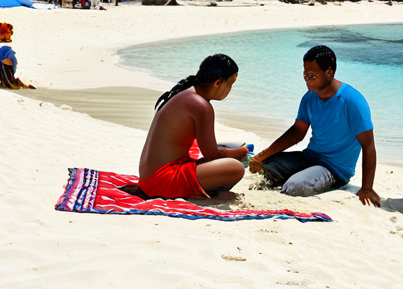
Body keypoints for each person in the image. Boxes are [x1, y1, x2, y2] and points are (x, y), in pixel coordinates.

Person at [249, 45, 381, 207]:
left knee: (294, 187)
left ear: (329, 72)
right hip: (310, 158)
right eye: (305, 75)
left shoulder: (352, 101)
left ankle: (299, 181)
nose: (307, 80)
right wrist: (263, 156)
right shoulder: (309, 98)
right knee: (264, 168)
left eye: (312, 76)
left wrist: (367, 188)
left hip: (335, 169)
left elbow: (368, 145)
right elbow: (297, 133)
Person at [137, 54, 249, 200]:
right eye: (230, 84)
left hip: (148, 177)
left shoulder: (188, 93)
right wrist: (241, 151)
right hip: (161, 181)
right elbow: (212, 155)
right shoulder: (201, 105)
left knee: (227, 155)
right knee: (236, 168)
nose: (230, 89)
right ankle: (206, 192)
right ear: (217, 83)